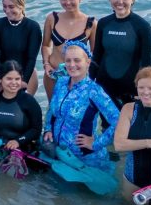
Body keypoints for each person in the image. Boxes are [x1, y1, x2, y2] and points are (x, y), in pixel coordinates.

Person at [43, 41, 120, 172]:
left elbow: (119, 122)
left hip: (86, 159)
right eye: (68, 61)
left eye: (77, 60)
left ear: (88, 62)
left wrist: (96, 143)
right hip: (60, 153)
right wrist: (48, 128)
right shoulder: (61, 83)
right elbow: (52, 108)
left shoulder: (94, 91)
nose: (72, 65)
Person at [91, 0, 151, 108]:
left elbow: (147, 65)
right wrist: (88, 84)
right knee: (107, 128)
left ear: (133, 0)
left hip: (131, 92)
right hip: (104, 89)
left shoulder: (142, 27)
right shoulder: (103, 23)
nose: (120, 1)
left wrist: (145, 90)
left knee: (130, 129)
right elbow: (96, 58)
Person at [40, 0, 97, 100]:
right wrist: (46, 64)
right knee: (54, 111)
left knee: (75, 113)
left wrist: (88, 72)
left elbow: (94, 52)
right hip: (53, 73)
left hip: (77, 76)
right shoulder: (52, 18)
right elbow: (45, 45)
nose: (67, 2)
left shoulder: (90, 23)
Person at [0, 60, 42, 152]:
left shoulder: (29, 102)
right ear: (0, 79)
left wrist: (17, 141)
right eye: (9, 79)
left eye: (17, 79)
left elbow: (36, 130)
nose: (13, 82)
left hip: (22, 148)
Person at [0, 0, 42, 94]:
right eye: (4, 6)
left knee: (23, 109)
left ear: (21, 6)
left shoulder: (33, 27)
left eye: (11, 6)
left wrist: (24, 80)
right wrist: (4, 74)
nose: (7, 10)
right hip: (3, 75)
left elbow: (32, 58)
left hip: (27, 75)